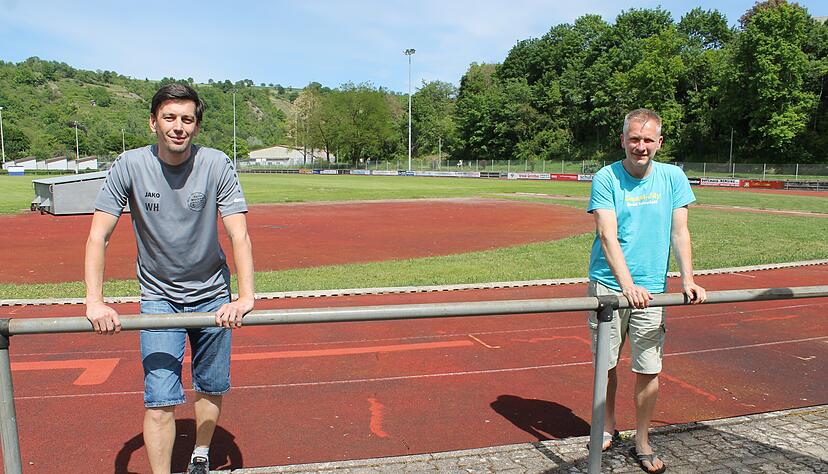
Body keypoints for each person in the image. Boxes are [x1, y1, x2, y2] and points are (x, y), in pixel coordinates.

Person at [84, 83, 255, 474]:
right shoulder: (129, 165)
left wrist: (245, 296)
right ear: (153, 122)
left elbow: (238, 233)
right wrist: (95, 299)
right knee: (159, 396)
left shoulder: (215, 164)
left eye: (187, 119)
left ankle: (200, 452)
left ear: (196, 126)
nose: (178, 126)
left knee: (211, 384)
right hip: (159, 296)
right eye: (170, 118)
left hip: (213, 292)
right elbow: (98, 235)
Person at [586, 108, 706, 474]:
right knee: (605, 365)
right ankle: (606, 426)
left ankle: (642, 440)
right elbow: (607, 235)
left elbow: (679, 231)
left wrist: (687, 278)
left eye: (648, 139)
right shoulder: (607, 177)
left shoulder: (672, 178)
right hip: (609, 285)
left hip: (653, 290)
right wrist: (627, 286)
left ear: (659, 142)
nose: (641, 146)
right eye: (634, 139)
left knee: (648, 368)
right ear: (622, 140)